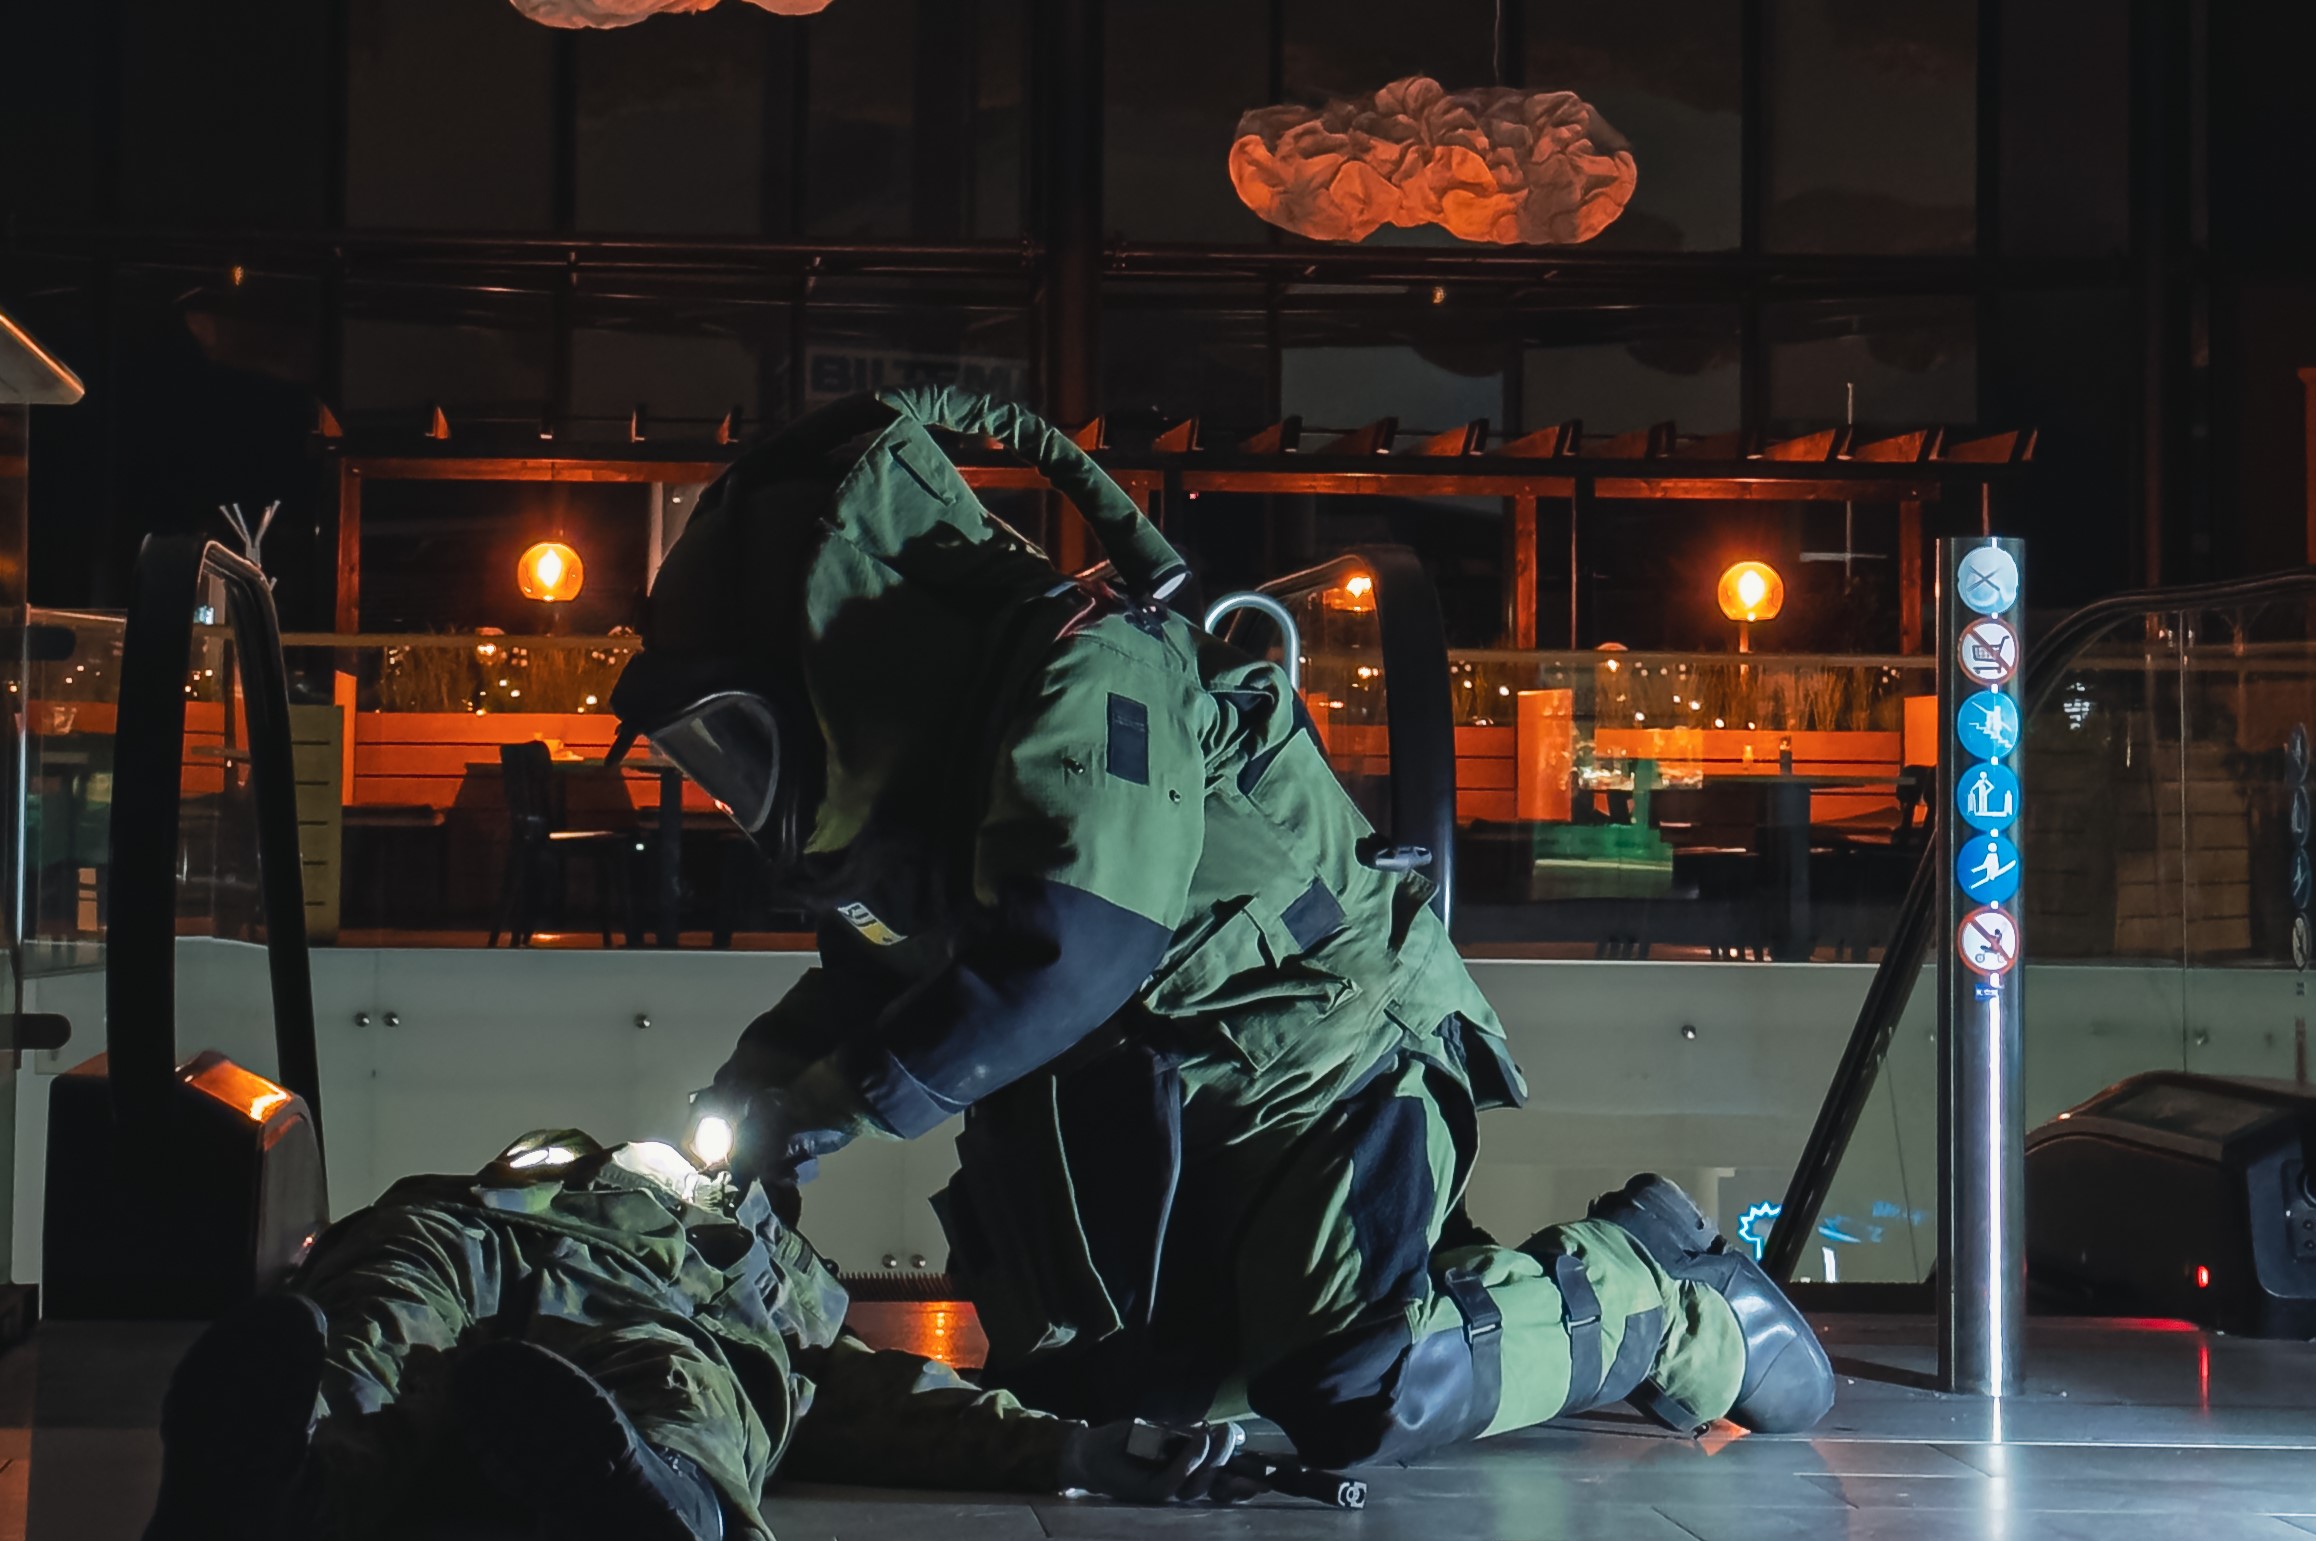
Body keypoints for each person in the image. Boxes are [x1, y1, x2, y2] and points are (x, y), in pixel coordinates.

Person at [608, 387, 1834, 1469]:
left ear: (842, 660)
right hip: (1176, 1101)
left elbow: (1074, 950)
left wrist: (825, 1109)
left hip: (1319, 1066)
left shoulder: (1090, 674)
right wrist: (747, 1119)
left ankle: (1673, 1298)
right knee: (1113, 1399)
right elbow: (871, 979)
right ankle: (1461, 1307)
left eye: (732, 738)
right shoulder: (926, 788)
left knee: (1353, 1385)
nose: (729, 786)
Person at [130, 1130, 1270, 1541]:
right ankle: (251, 1514)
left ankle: (654, 1514)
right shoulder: (518, 1176)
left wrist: (1071, 1449)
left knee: (685, 1385)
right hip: (469, 1241)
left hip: (657, 1314)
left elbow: (884, 1392)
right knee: (382, 1320)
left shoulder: (771, 1280)